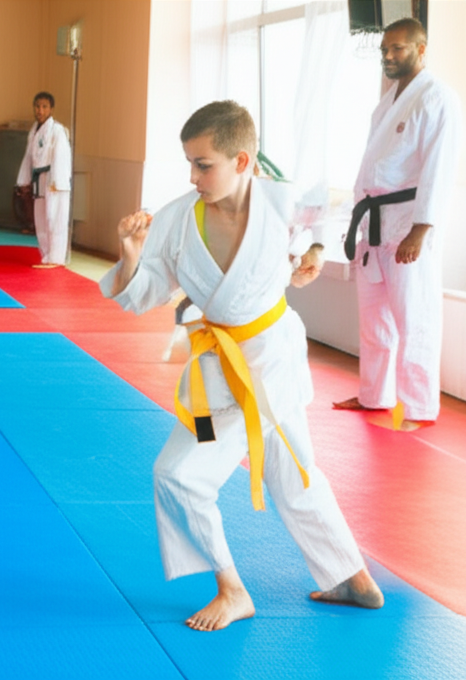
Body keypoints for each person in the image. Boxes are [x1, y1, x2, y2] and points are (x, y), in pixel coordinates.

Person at [101, 100, 383, 632]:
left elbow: (319, 216)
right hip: (217, 368)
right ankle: (353, 577)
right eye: (188, 162)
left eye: (203, 163)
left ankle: (232, 590)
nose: (193, 175)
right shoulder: (178, 218)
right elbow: (144, 295)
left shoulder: (281, 201)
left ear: (243, 161)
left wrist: (316, 250)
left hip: (270, 361)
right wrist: (133, 252)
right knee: (292, 468)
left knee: (178, 473)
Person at [333, 18, 462, 430]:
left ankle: (420, 408)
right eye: (385, 49)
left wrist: (421, 228)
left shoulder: (437, 97)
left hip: (408, 222)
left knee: (415, 316)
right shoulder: (388, 100)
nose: (389, 56)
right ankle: (375, 395)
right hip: (375, 221)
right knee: (374, 319)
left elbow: (439, 168)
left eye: (399, 49)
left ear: (421, 50)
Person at [16, 91, 72, 268]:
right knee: (40, 218)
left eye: (44, 106)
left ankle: (56, 258)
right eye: (37, 106)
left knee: (54, 217)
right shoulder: (34, 131)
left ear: (51, 109)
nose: (40, 110)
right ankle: (46, 255)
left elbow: (61, 156)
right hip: (38, 179)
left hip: (54, 179)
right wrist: (23, 181)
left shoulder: (57, 130)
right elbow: (28, 157)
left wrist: (57, 181)